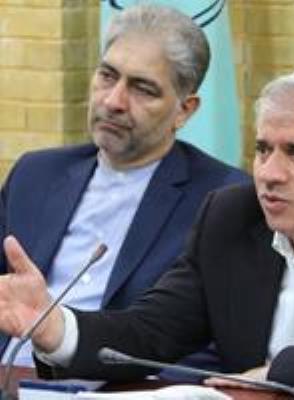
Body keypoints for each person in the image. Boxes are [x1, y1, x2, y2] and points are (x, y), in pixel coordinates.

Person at [1, 64, 294, 400]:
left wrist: (285, 371)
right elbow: (151, 331)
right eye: (263, 149)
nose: (270, 174)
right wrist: (55, 327)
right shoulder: (232, 217)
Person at [0, 4, 249, 368]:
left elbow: (211, 349)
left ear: (185, 110)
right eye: (107, 76)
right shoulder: (36, 174)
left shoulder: (223, 199)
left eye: (142, 89)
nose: (113, 101)